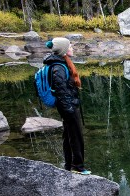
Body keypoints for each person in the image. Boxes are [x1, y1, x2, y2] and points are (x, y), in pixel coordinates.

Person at [43, 37, 91, 175]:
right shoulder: (58, 67)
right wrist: (69, 109)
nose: (72, 48)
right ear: (63, 50)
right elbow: (61, 91)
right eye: (70, 47)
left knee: (69, 135)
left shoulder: (60, 63)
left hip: (68, 106)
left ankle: (69, 165)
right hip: (68, 107)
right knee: (76, 136)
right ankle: (78, 166)